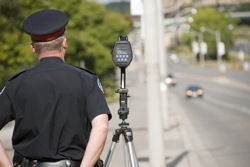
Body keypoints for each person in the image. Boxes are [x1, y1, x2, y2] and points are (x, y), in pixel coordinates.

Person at [0, 9, 112, 167]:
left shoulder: (16, 84)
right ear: (64, 43)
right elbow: (101, 125)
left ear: (33, 48)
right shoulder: (87, 80)